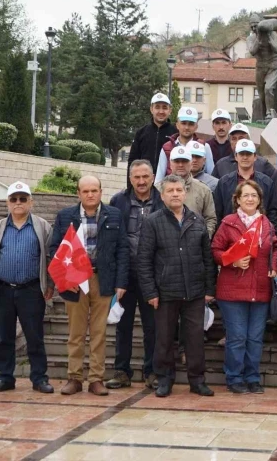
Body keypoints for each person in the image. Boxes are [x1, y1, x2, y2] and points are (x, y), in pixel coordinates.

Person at [137, 175, 217, 398]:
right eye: (170, 190)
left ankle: (197, 381)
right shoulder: (152, 222)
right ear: (162, 196)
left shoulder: (197, 221)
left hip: (194, 292)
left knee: (195, 339)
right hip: (165, 292)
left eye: (178, 190)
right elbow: (144, 260)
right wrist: (150, 291)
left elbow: (207, 258)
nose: (175, 194)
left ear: (185, 193)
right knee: (164, 339)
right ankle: (164, 380)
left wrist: (210, 289)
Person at [50, 176, 129, 396]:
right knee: (75, 333)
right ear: (78, 193)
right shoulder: (65, 216)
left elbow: (123, 249)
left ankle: (96, 379)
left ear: (101, 191)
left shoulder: (115, 215)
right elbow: (55, 249)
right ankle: (74, 378)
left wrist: (121, 282)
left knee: (99, 333)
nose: (90, 194)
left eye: (94, 190)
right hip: (75, 281)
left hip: (103, 280)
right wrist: (67, 278)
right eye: (85, 191)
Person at [212, 181, 277, 394]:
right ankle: (234, 377)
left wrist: (274, 266)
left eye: (254, 195)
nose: (250, 199)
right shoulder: (228, 223)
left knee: (255, 338)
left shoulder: (266, 224)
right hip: (232, 291)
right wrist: (232, 261)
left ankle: (252, 378)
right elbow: (215, 250)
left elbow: (275, 248)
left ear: (259, 200)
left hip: (260, 289)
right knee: (237, 337)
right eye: (246, 195)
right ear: (238, 200)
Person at [107, 160, 162, 390]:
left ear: (153, 177)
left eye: (145, 176)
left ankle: (152, 371)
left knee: (153, 326)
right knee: (123, 325)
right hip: (125, 273)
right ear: (130, 179)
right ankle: (121, 371)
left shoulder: (162, 200)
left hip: (153, 275)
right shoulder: (117, 201)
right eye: (137, 177)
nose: (141, 181)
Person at [0, 182, 54, 394]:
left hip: (31, 290)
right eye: (14, 199)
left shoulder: (42, 226)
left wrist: (50, 284)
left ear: (31, 202)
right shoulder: (0, 227)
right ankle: (5, 377)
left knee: (34, 336)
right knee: (3, 337)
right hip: (3, 289)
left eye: (23, 199)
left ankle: (39, 378)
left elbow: (51, 258)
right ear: (8, 203)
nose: (18, 203)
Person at [214, 139, 273, 223]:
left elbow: (271, 212)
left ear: (255, 157)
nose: (245, 157)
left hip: (259, 229)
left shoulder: (267, 182)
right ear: (236, 156)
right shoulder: (224, 183)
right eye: (241, 154)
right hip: (230, 228)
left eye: (248, 154)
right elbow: (218, 212)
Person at [126, 93, 178, 184]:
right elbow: (132, 161)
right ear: (151, 109)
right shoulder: (141, 133)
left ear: (170, 110)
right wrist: (130, 187)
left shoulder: (176, 133)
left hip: (168, 184)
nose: (161, 111)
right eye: (157, 107)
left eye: (164, 108)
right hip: (144, 182)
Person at [166, 146, 217, 236]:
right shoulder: (159, 189)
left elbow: (210, 219)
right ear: (170, 163)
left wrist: (203, 239)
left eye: (184, 161)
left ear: (190, 164)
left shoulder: (203, 190)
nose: (180, 165)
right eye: (177, 161)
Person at [155, 107, 214, 183]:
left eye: (191, 124)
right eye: (183, 123)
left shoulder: (204, 146)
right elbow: (159, 179)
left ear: (196, 126)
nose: (187, 127)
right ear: (177, 125)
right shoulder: (167, 147)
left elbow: (211, 176)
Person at [212, 123, 276, 179]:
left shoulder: (262, 164)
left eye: (241, 138)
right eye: (234, 139)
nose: (237, 142)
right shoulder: (221, 165)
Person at [248, 14, 277, 120]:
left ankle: (269, 113)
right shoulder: (251, 38)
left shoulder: (273, 34)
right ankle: (262, 114)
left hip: (273, 65)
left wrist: (269, 39)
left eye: (256, 25)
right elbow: (252, 51)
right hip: (260, 67)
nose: (254, 28)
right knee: (261, 94)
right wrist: (258, 39)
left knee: (268, 88)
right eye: (252, 26)